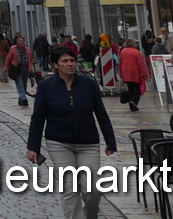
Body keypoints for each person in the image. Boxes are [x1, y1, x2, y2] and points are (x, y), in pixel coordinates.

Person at [27, 47, 118, 219]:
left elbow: (101, 114)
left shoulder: (89, 84)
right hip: (58, 143)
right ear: (56, 65)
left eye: (72, 60)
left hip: (88, 143)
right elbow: (38, 118)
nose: (70, 64)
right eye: (64, 61)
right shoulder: (46, 86)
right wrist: (33, 147)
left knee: (92, 190)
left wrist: (110, 141)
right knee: (69, 189)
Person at [116, 37, 149, 112]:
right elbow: (141, 64)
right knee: (138, 89)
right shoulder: (136, 52)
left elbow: (120, 63)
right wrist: (144, 74)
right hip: (135, 73)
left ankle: (132, 107)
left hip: (126, 73)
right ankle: (133, 102)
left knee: (131, 89)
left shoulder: (123, 51)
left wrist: (121, 73)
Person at [6, 33, 34, 107]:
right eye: (20, 41)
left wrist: (30, 68)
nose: (22, 43)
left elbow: (30, 59)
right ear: (17, 42)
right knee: (20, 84)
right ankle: (24, 99)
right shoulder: (13, 48)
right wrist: (6, 67)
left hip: (25, 68)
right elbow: (8, 58)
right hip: (17, 68)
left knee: (24, 84)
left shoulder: (28, 49)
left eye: (23, 41)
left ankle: (21, 98)